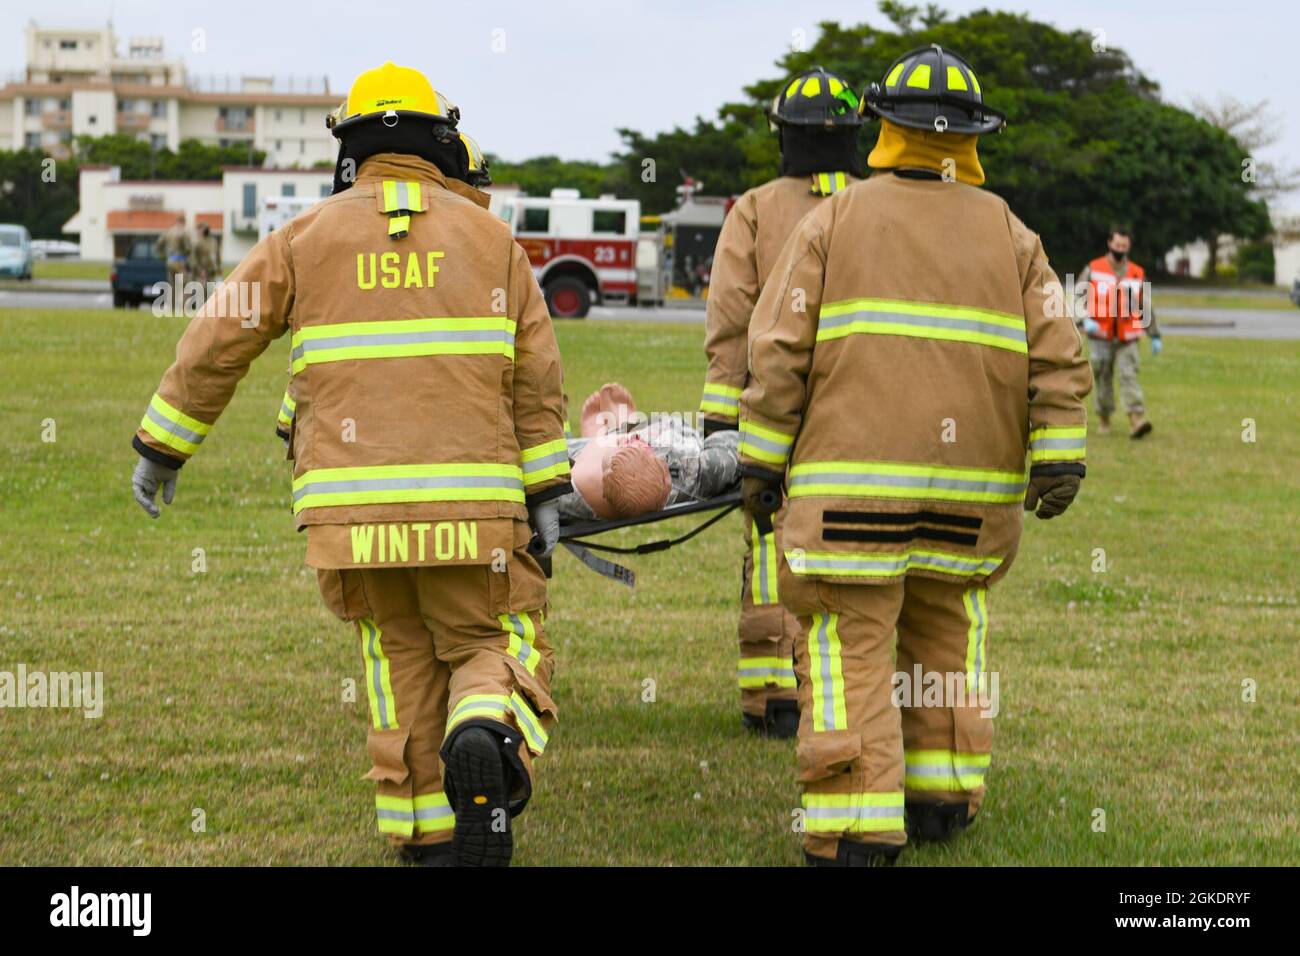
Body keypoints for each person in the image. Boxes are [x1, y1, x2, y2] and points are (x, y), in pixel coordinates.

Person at [129, 62, 571, 867]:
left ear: (350, 144)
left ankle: (426, 840)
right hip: (471, 511)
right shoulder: (494, 240)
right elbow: (537, 380)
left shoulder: (302, 237)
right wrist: (547, 490)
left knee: (397, 655)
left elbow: (216, 339)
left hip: (348, 521)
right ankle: (483, 727)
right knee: (492, 639)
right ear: (441, 139)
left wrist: (163, 446)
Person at [739, 45, 1092, 866]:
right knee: (944, 635)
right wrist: (1060, 457)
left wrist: (759, 461)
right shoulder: (1012, 231)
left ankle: (862, 826)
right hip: (972, 509)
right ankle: (940, 796)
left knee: (848, 644)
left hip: (849, 506)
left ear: (883, 128)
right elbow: (1059, 351)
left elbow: (779, 348)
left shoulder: (836, 219)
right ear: (974, 139)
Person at [700, 66, 865, 739]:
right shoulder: (881, 206)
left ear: (783, 136)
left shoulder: (756, 210)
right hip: (859, 416)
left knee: (770, 543)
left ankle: (771, 698)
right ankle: (837, 690)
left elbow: (731, 318)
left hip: (771, 412)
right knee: (845, 554)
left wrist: (720, 417)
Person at [560, 382, 739, 522]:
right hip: (681, 442)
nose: (635, 440)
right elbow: (730, 448)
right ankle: (622, 424)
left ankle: (608, 431)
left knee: (568, 458)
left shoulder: (579, 482)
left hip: (583, 465)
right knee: (665, 441)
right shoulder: (693, 471)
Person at [1076, 226, 1160, 438]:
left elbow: (1145, 304)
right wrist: (1084, 320)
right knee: (1102, 378)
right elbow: (1078, 297)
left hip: (1127, 337)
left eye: (1124, 245)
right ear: (1109, 243)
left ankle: (1136, 420)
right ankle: (1104, 419)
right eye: (1117, 244)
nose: (1120, 248)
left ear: (1128, 246)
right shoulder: (1093, 268)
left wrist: (1154, 334)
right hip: (1099, 335)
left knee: (1129, 375)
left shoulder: (1136, 273)